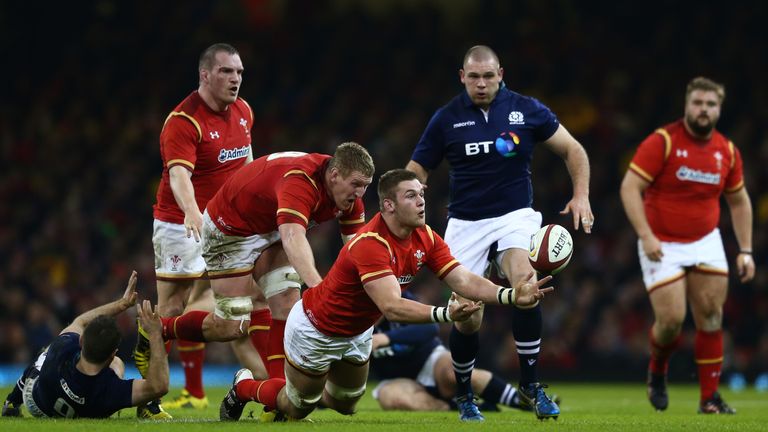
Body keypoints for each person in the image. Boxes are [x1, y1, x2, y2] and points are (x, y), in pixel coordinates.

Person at [218, 169, 555, 423]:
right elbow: (392, 307)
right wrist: (446, 315)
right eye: (411, 196)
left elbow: (463, 278)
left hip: (357, 333)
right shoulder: (371, 244)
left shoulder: (425, 236)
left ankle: (294, 386)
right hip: (316, 329)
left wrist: (512, 295)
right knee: (297, 407)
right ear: (389, 205)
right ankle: (244, 386)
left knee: (346, 403)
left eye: (421, 194)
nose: (422, 201)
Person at [405, 45, 592, 420]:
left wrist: (581, 196)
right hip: (466, 223)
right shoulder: (446, 119)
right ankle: (464, 396)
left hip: (515, 215)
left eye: (488, 76)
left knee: (526, 282)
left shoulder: (528, 110)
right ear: (462, 77)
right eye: (473, 76)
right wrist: (412, 199)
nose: (481, 83)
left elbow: (573, 150)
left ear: (501, 74)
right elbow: (416, 170)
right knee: (467, 313)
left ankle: (531, 386)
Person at [134, 143, 375, 387]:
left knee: (285, 305)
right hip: (230, 228)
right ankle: (159, 327)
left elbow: (357, 251)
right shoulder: (300, 183)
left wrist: (371, 287)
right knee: (231, 327)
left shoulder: (350, 199)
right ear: (334, 175)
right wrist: (318, 289)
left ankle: (279, 394)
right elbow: (293, 238)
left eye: (366, 185)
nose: (360, 192)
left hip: (269, 228)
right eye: (356, 184)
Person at [620, 76, 755, 414]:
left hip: (706, 240)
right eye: (698, 103)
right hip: (661, 242)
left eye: (710, 104)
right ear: (687, 105)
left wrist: (746, 250)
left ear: (719, 109)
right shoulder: (662, 141)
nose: (703, 109)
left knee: (711, 314)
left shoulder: (726, 151)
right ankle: (658, 369)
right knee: (671, 321)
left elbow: (739, 202)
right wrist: (646, 235)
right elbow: (629, 188)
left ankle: (709, 398)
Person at [139, 42, 257, 417]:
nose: (235, 79)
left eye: (239, 72)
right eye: (226, 71)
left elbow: (247, 166)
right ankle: (147, 397)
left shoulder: (243, 112)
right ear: (205, 74)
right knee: (173, 306)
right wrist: (193, 212)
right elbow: (179, 175)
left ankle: (261, 384)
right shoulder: (183, 121)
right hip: (180, 225)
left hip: (226, 225)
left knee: (242, 301)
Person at [1, 272, 169, 419]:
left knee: (45, 355)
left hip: (38, 405)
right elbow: (158, 386)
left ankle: (12, 401)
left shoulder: (63, 349)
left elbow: (80, 321)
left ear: (81, 341)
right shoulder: (111, 390)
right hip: (93, 407)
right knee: (119, 365)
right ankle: (144, 406)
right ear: (111, 353)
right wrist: (155, 334)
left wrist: (121, 304)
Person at [370, 293, 559, 413]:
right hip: (395, 379)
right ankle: (456, 407)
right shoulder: (355, 323)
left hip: (431, 361)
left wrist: (387, 339)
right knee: (392, 399)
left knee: (455, 374)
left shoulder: (401, 299)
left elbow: (430, 328)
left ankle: (522, 401)